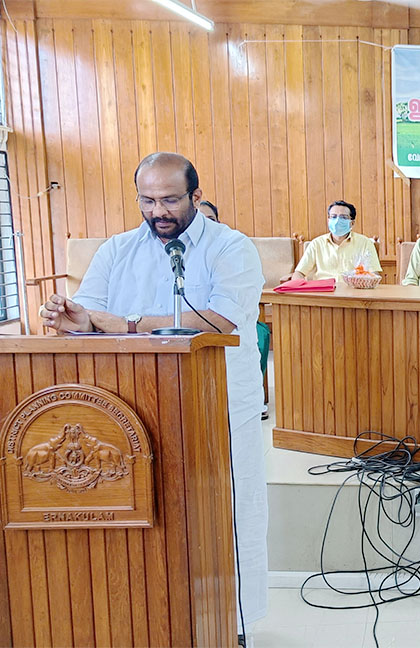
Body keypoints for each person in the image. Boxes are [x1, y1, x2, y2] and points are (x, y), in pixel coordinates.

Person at [38, 152, 269, 635]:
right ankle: (150, 621)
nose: (158, 211)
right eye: (148, 200)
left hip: (219, 406)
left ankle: (236, 623)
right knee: (152, 516)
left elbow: (220, 320)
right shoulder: (117, 251)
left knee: (229, 512)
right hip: (132, 413)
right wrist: (75, 322)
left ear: (195, 196)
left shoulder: (231, 248)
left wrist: (130, 324)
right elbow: (90, 315)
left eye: (169, 200)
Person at [291, 200, 381, 280]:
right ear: (328, 220)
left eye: (343, 217)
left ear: (352, 223)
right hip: (323, 293)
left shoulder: (365, 243)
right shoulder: (316, 243)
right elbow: (299, 273)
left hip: (353, 294)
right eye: (333, 217)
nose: (337, 221)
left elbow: (374, 274)